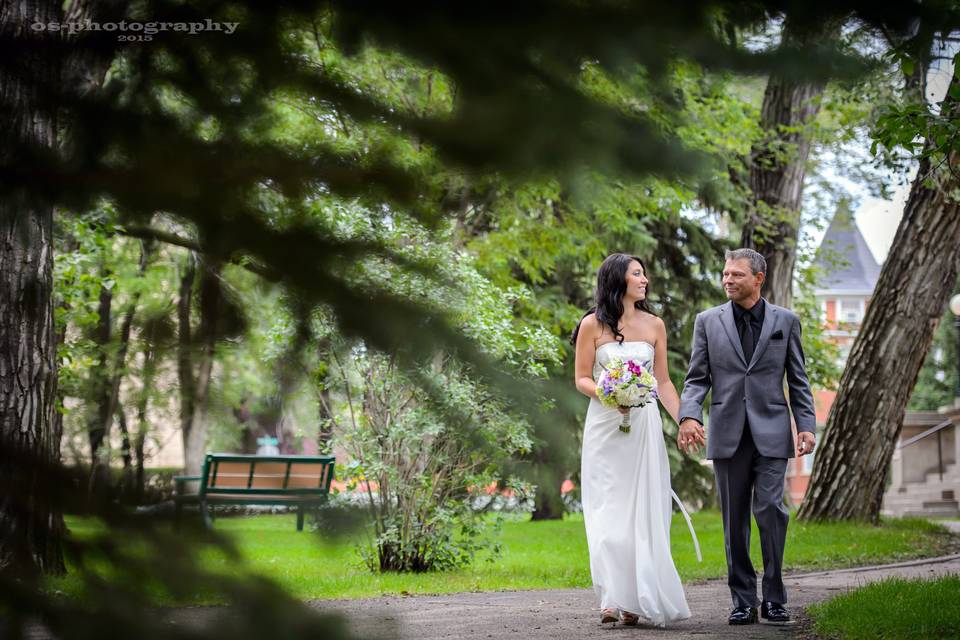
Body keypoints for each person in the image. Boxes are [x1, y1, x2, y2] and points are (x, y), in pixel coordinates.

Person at [678, 248, 816, 625]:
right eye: (725, 274)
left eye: (736, 274)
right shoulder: (707, 321)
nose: (727, 280)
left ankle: (774, 597)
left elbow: (798, 379)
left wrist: (806, 425)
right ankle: (742, 600)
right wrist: (689, 414)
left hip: (772, 432)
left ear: (758, 278)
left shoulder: (785, 321)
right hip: (727, 433)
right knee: (733, 520)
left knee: (771, 511)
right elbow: (696, 378)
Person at [572, 252, 696, 627]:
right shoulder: (592, 325)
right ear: (617, 280)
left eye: (644, 274)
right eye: (637, 274)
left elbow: (663, 382)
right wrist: (611, 394)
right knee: (606, 509)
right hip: (604, 426)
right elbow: (581, 379)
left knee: (641, 510)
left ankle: (636, 598)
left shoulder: (655, 325)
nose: (645, 280)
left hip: (643, 427)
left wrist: (684, 420)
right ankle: (611, 597)